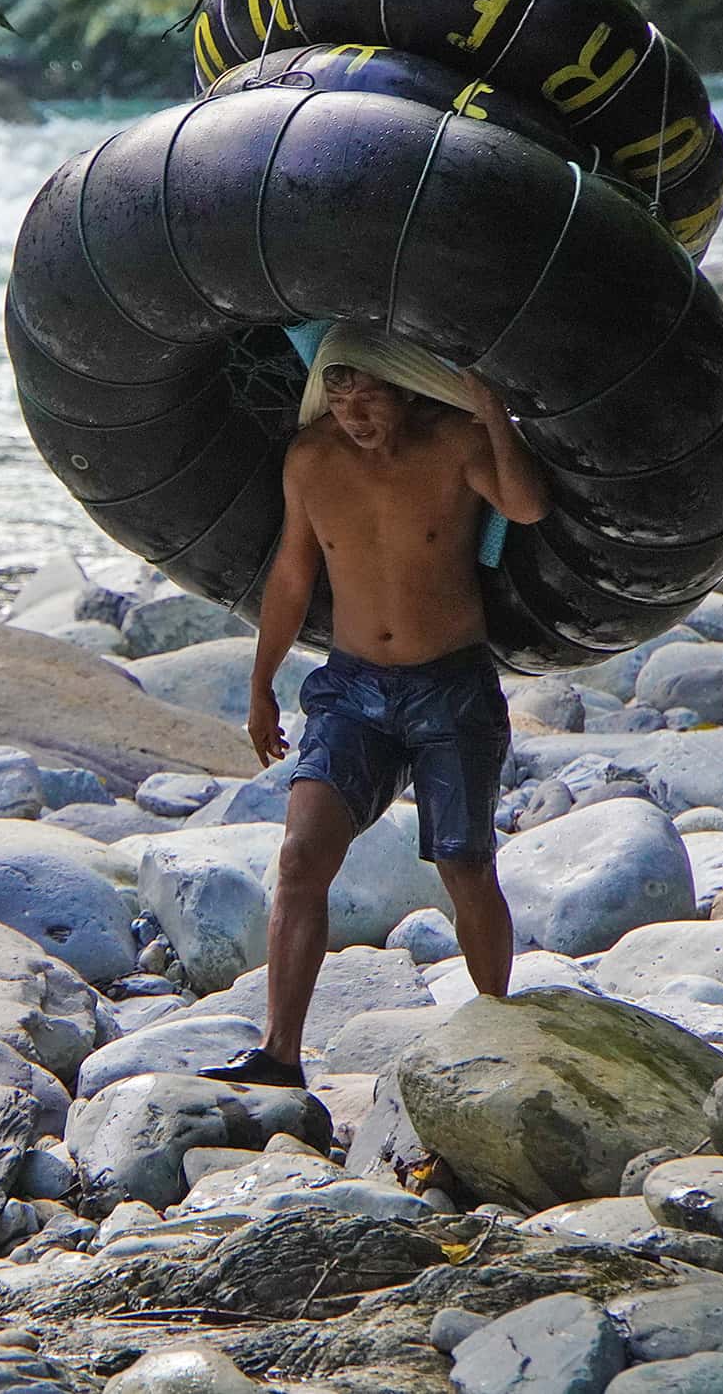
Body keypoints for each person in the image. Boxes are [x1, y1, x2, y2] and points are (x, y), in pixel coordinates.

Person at [198, 325, 552, 1089]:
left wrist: (492, 413)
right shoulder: (312, 460)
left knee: (463, 864)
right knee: (299, 859)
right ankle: (279, 1056)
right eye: (340, 394)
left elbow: (523, 508)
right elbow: (293, 576)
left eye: (370, 396)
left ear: (408, 390)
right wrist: (261, 684)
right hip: (351, 687)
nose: (353, 414)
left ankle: (499, 1025)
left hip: (449, 688)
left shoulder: (454, 443)